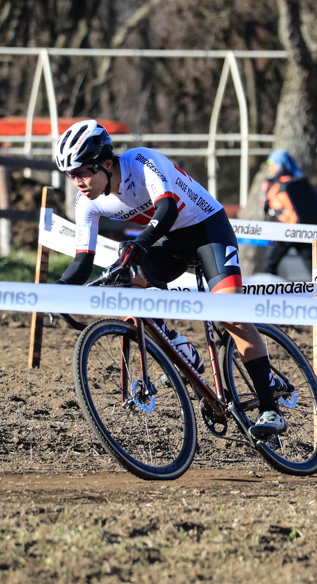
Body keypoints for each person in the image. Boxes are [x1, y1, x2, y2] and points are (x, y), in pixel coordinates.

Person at [52, 119, 286, 438]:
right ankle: (174, 341)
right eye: (70, 175)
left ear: (106, 164)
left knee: (231, 314)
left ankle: (269, 407)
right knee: (124, 276)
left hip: (207, 230)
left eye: (81, 172)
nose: (76, 181)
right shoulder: (86, 204)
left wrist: (140, 244)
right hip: (168, 241)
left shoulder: (143, 162)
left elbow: (168, 210)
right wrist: (59, 291)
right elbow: (82, 262)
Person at [260, 149, 317, 277]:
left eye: (270, 162)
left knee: (270, 264)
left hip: (286, 231)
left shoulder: (275, 183)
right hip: (305, 229)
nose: (269, 166)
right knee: (312, 265)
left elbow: (266, 207)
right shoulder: (302, 181)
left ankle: (268, 291)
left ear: (277, 164)